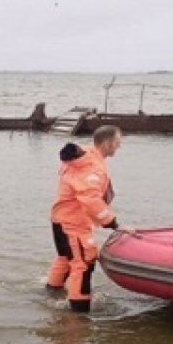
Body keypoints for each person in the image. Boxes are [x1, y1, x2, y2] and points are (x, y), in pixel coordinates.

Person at [45, 126, 122, 313]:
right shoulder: (92, 166)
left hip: (61, 219)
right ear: (107, 143)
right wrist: (112, 223)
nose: (119, 146)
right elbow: (90, 198)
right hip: (73, 223)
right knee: (83, 264)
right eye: (118, 142)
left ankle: (51, 293)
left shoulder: (85, 155)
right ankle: (78, 315)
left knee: (65, 258)